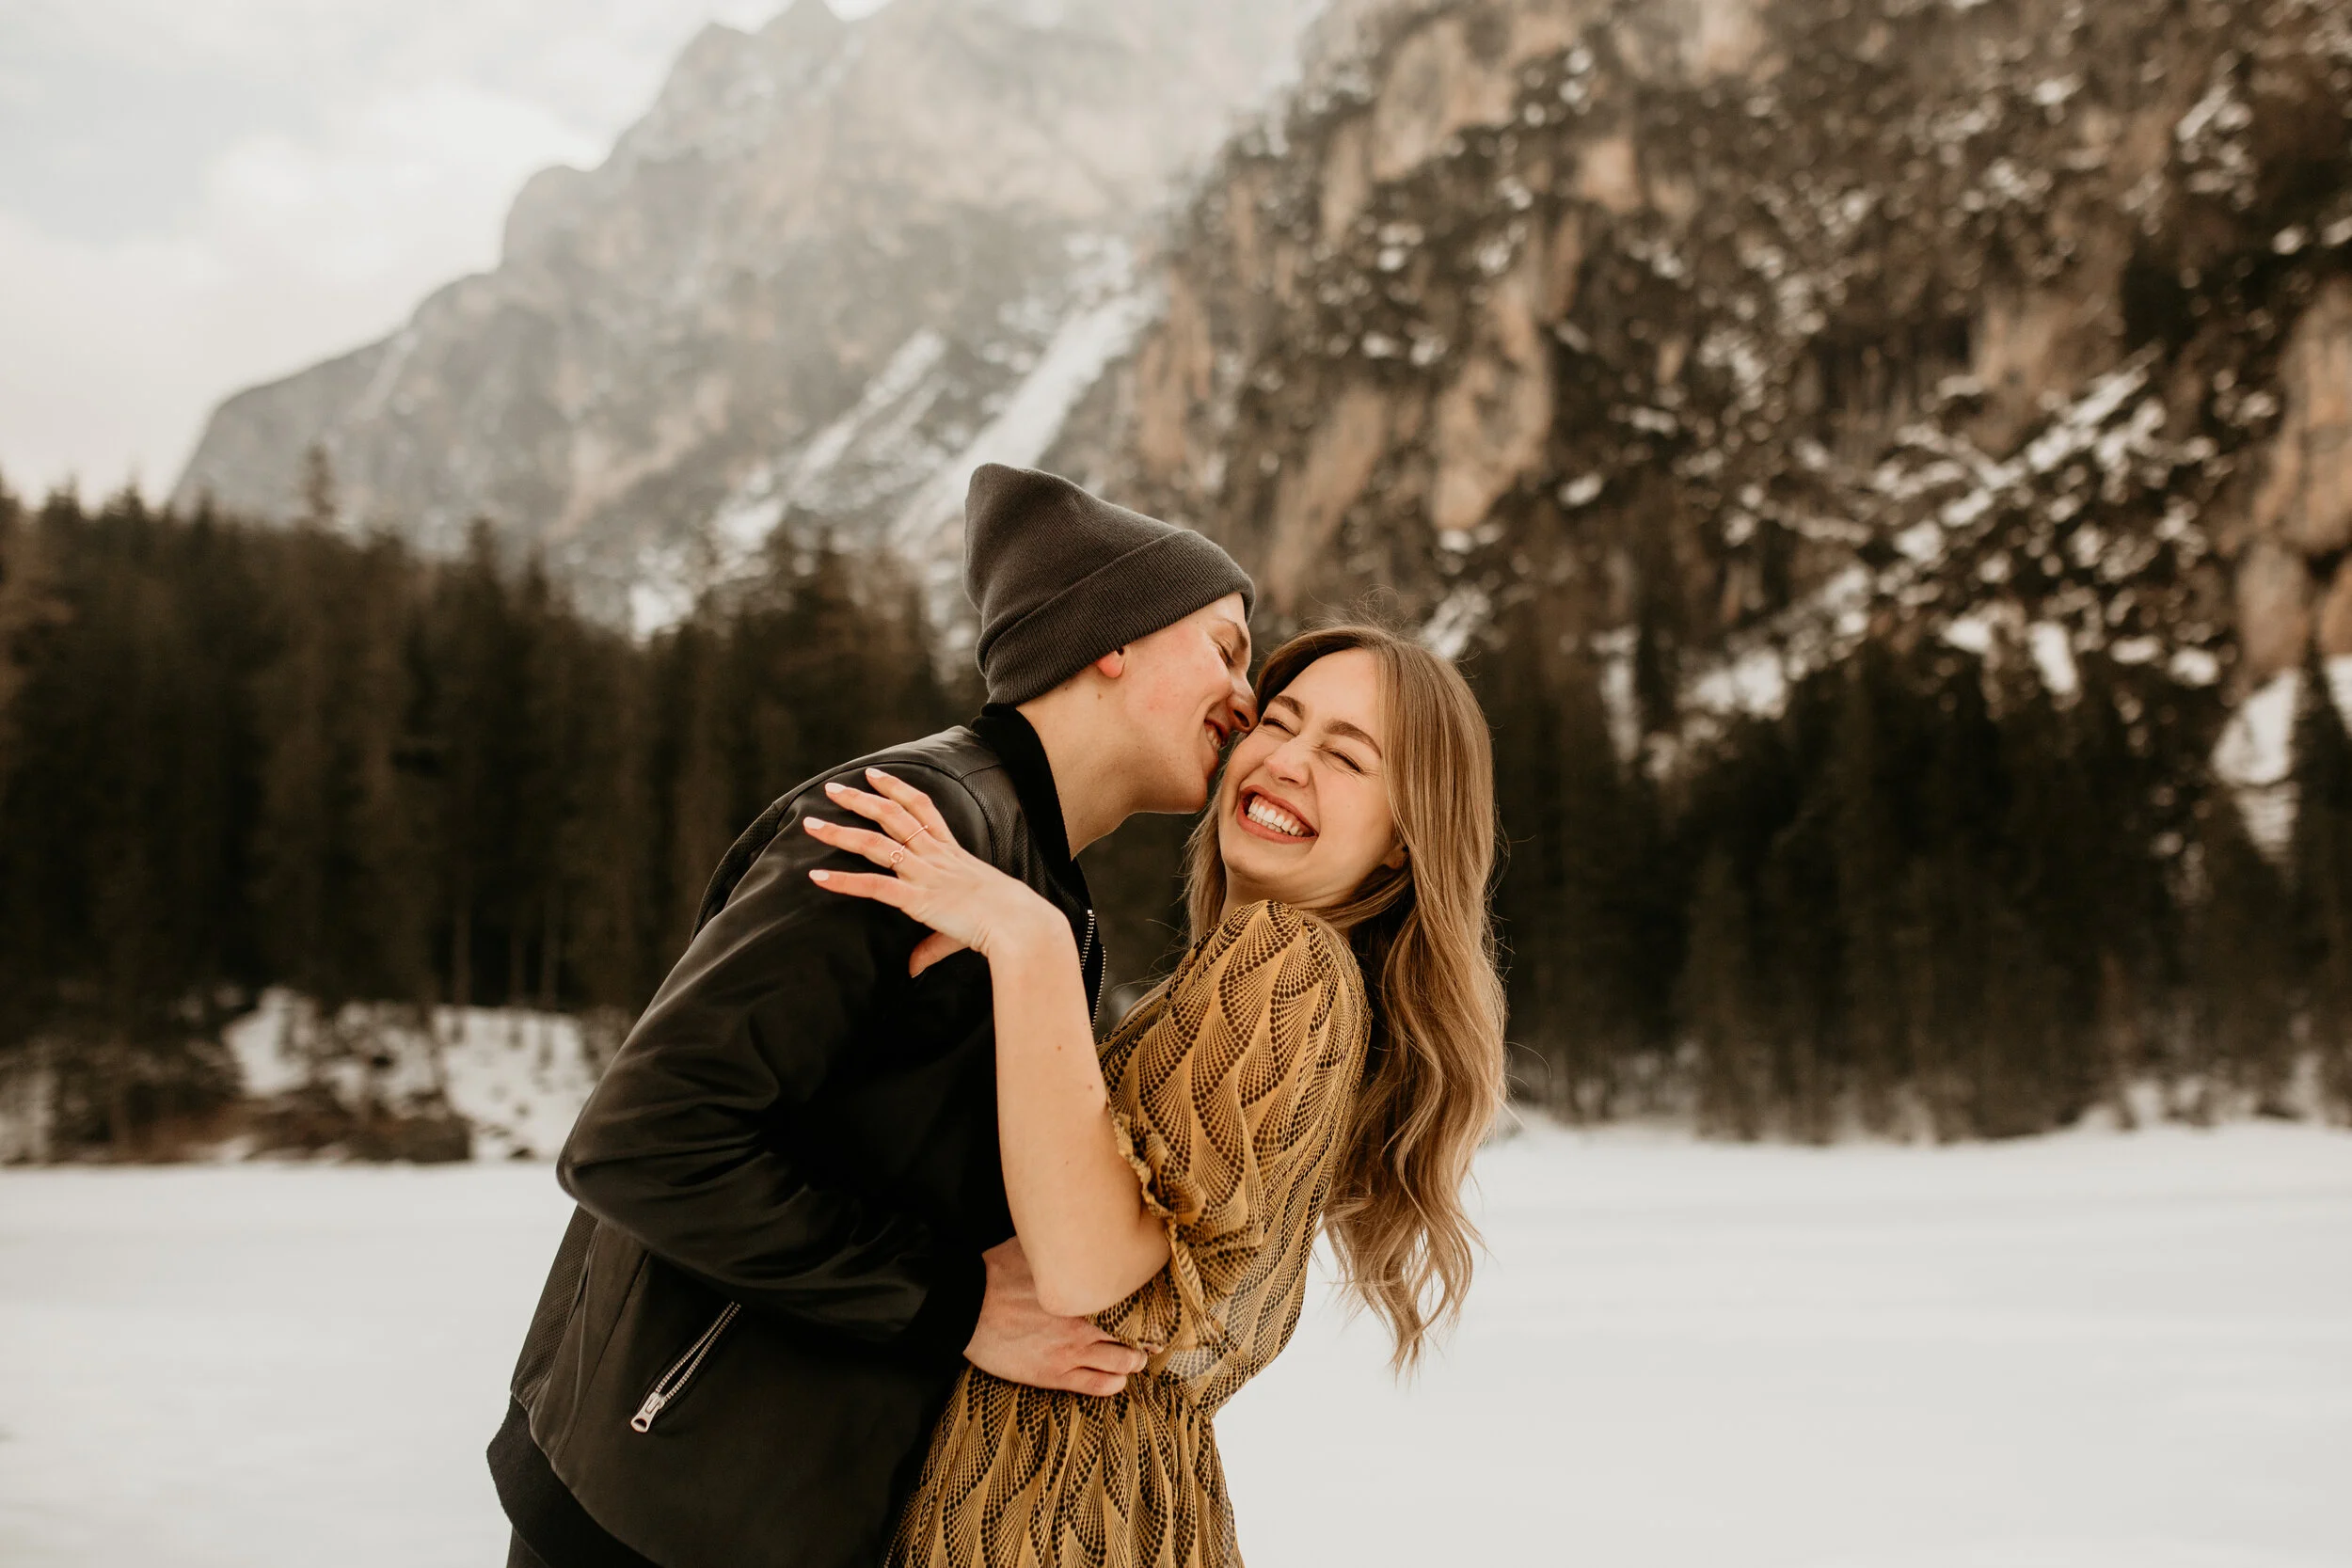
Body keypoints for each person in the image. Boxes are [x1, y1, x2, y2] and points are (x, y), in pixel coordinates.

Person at [489, 464, 1259, 1568]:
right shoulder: (905, 828)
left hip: (772, 1511)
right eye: (1226, 645)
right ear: (1111, 636)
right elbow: (643, 1142)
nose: (1248, 690)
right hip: (649, 1512)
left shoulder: (1028, 882)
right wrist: (952, 1302)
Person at [808, 623, 1507, 1567]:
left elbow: (1090, 1274)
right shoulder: (1250, 978)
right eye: (1281, 721)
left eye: (1346, 756)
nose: (1287, 760)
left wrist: (1028, 939)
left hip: (1055, 1521)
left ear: (1402, 842)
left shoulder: (1289, 963)